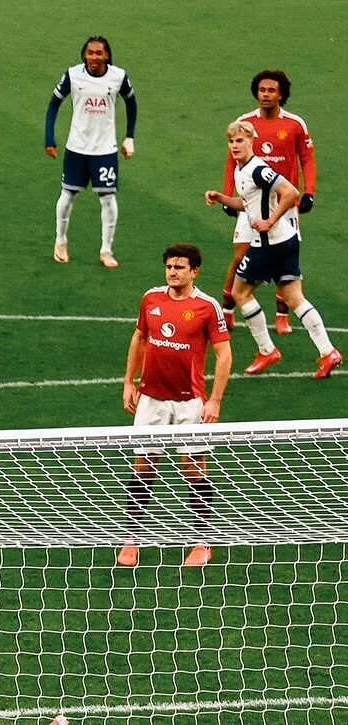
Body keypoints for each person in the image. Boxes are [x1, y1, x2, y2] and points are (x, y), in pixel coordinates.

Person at [118, 244, 232, 568]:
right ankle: (131, 540)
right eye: (169, 266)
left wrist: (215, 400)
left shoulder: (207, 307)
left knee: (193, 467)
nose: (172, 272)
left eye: (180, 267)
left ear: (194, 271)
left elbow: (224, 355)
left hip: (189, 402)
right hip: (151, 398)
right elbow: (139, 338)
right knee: (143, 467)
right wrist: (129, 380)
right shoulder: (151, 299)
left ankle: (202, 542)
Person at [205, 122, 340, 379]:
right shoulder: (240, 170)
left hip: (269, 243)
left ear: (251, 142)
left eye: (240, 141)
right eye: (231, 142)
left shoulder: (257, 169)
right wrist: (221, 197)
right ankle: (328, 352)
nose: (235, 146)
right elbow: (247, 204)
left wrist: (270, 221)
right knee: (294, 297)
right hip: (286, 240)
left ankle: (267, 350)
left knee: (239, 292)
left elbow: (290, 192)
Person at [218, 70, 316, 333]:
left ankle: (282, 315)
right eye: (262, 90)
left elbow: (306, 158)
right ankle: (227, 309)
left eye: (272, 90)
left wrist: (310, 191)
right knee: (240, 255)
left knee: (285, 262)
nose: (266, 95)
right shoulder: (245, 123)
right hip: (250, 203)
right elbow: (232, 161)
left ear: (281, 94)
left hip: (283, 206)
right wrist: (228, 195)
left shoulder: (295, 124)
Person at [44, 36, 137, 269]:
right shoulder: (73, 75)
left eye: (99, 53)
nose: (94, 57)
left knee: (108, 199)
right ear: (84, 55)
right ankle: (60, 241)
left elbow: (131, 103)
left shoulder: (118, 77)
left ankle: (106, 250)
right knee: (67, 196)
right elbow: (54, 103)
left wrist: (129, 137)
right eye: (90, 53)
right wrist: (49, 138)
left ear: (107, 55)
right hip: (76, 148)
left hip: (105, 151)